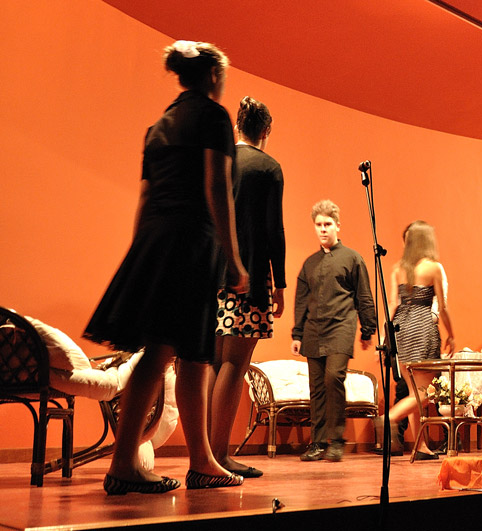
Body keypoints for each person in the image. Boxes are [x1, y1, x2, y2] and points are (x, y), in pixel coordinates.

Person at [84, 40, 248, 494]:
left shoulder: (157, 128)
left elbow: (145, 197)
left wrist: (142, 254)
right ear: (213, 76)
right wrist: (234, 258)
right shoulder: (214, 116)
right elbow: (216, 187)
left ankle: (201, 461)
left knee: (191, 355)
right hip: (191, 243)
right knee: (164, 352)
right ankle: (123, 464)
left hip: (157, 241)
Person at [208, 96, 286, 478]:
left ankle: (204, 455)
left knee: (212, 363)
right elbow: (274, 231)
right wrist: (279, 285)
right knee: (235, 364)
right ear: (266, 131)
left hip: (211, 275)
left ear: (238, 126)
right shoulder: (268, 167)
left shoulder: (219, 159)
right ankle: (219, 457)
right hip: (248, 276)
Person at [291, 200, 377, 462]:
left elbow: (364, 296)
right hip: (313, 330)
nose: (323, 229)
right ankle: (318, 443)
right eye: (318, 225)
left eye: (327, 224)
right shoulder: (309, 263)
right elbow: (301, 301)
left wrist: (368, 329)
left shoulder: (352, 258)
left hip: (341, 326)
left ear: (338, 226)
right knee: (316, 387)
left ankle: (337, 440)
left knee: (333, 378)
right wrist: (297, 334)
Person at [380, 220, 455, 460]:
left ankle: (420, 446)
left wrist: (386, 335)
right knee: (426, 392)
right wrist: (452, 334)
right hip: (422, 328)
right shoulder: (433, 268)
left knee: (414, 392)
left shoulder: (398, 269)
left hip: (401, 329)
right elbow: (442, 306)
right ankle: (389, 418)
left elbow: (392, 304)